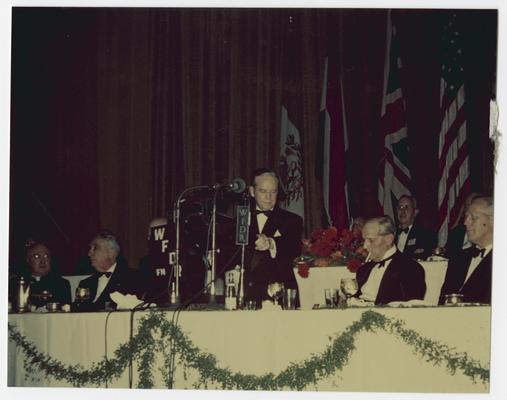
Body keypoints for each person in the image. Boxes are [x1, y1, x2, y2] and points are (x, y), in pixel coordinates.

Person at [242, 168, 303, 304]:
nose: (269, 197)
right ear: (252, 192)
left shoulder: (292, 220)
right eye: (263, 191)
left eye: (273, 192)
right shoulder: (240, 220)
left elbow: (294, 248)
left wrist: (271, 243)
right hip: (245, 296)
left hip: (279, 295)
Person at [356, 216, 426, 305]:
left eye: (370, 240)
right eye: (364, 240)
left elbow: (410, 309)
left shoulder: (411, 269)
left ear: (389, 239)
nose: (365, 246)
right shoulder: (363, 270)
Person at [439, 196, 493, 304]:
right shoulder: (458, 259)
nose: (465, 223)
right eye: (466, 217)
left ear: (493, 220)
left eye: (473, 217)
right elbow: (442, 301)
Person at [75, 230, 141, 311]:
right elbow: (76, 311)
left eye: (95, 248)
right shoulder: (84, 284)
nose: (89, 253)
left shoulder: (132, 278)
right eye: (90, 248)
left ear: (111, 252)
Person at [9, 241, 72, 308]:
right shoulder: (16, 283)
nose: (43, 261)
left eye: (46, 256)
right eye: (37, 256)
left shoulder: (61, 284)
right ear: (28, 260)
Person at [395, 195, 436, 260]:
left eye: (407, 207)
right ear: (396, 211)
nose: (402, 211)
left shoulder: (425, 235)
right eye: (400, 207)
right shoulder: (390, 234)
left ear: (415, 212)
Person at [444, 192, 481, 259]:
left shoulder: (485, 233)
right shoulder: (456, 232)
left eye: (471, 204)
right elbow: (448, 255)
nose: (468, 208)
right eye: (467, 205)